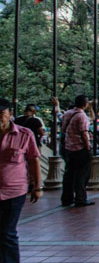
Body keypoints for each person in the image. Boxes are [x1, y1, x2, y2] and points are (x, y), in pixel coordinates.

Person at [0, 98, 42, 263]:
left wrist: (37, 187)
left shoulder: (24, 134)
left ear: (10, 114)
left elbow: (33, 160)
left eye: (1, 114)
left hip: (14, 191)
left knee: (7, 232)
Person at [61, 95, 94, 207]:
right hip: (80, 148)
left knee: (69, 174)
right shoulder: (82, 116)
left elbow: (63, 128)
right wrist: (88, 147)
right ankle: (80, 198)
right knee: (82, 175)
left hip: (68, 147)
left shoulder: (67, 113)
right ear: (85, 104)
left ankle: (66, 198)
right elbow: (84, 134)